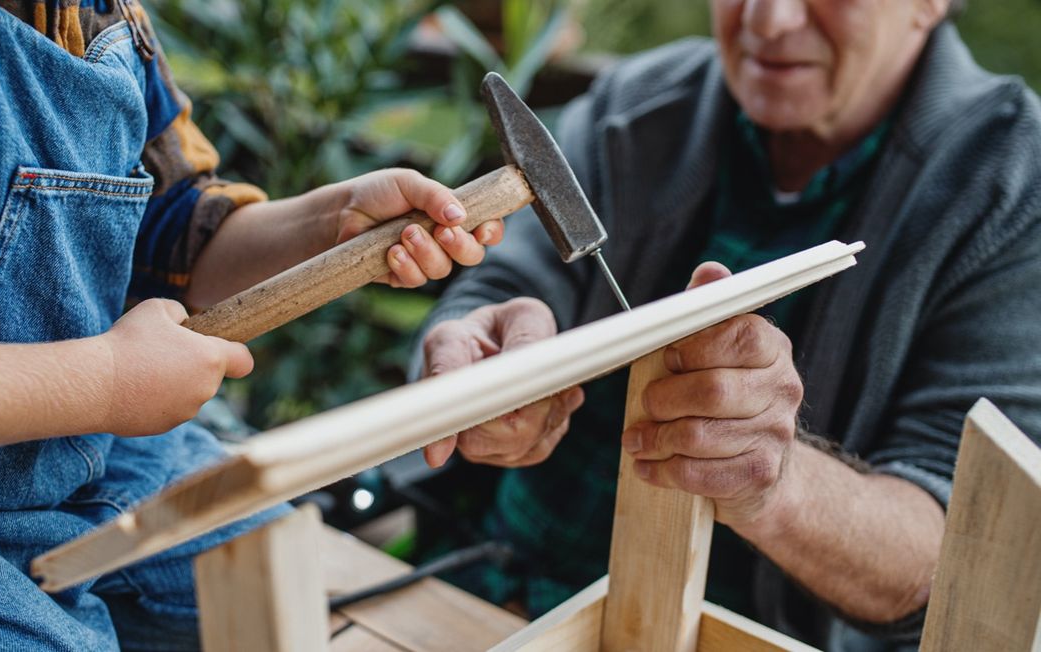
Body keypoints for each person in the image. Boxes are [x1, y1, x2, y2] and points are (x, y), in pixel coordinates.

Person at [0, 0, 502, 648]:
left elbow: (178, 229)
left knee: (268, 562)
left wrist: (334, 225)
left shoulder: (104, 17)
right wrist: (108, 383)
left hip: (78, 455)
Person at [414, 0, 1041, 648]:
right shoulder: (637, 101)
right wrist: (479, 350)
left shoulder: (1016, 188)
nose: (766, 22)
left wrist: (780, 482)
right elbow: (501, 288)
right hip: (483, 583)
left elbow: (963, 554)